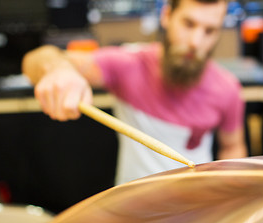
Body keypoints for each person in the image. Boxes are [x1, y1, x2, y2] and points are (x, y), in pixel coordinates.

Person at [22, 0, 247, 185]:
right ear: (167, 16)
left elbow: (232, 146)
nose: (196, 42)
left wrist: (229, 190)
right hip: (133, 207)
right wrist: (59, 69)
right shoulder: (128, 65)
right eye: (188, 24)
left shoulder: (227, 87)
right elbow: (36, 59)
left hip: (197, 206)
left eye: (210, 30)